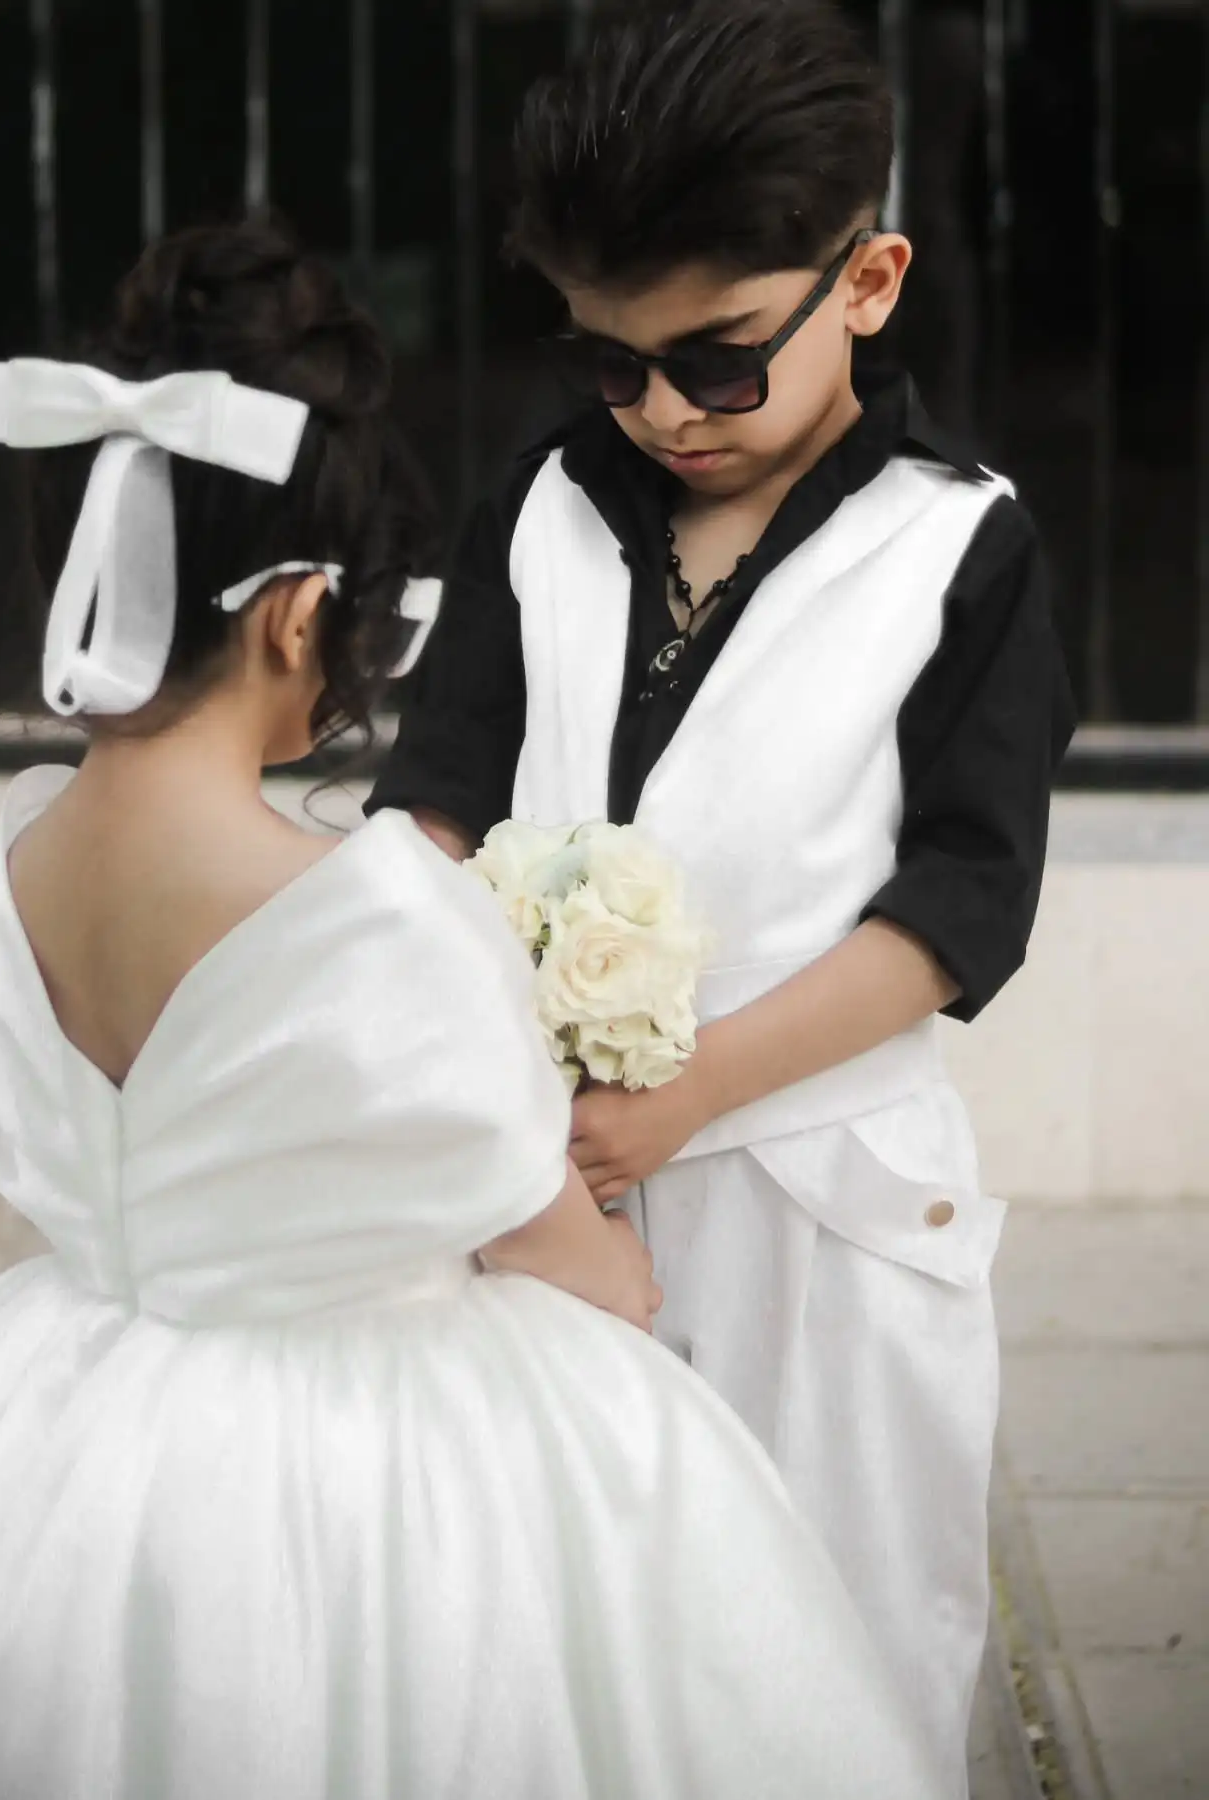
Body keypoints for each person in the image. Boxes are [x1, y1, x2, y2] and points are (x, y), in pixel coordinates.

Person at [0, 219, 939, 1800]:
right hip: (364, 1454)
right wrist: (617, 1278)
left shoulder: (22, 854)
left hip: (67, 1402)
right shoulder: (371, 905)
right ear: (299, 613)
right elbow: (544, 1233)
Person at [367, 4, 1077, 1794]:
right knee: (550, 1653)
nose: (668, 411)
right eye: (615, 363)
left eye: (724, 357)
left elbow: (961, 907)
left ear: (872, 276)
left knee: (819, 1661)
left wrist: (686, 1097)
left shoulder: (955, 545)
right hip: (535, 1190)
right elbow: (436, 799)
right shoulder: (535, 501)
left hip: (818, 1209)